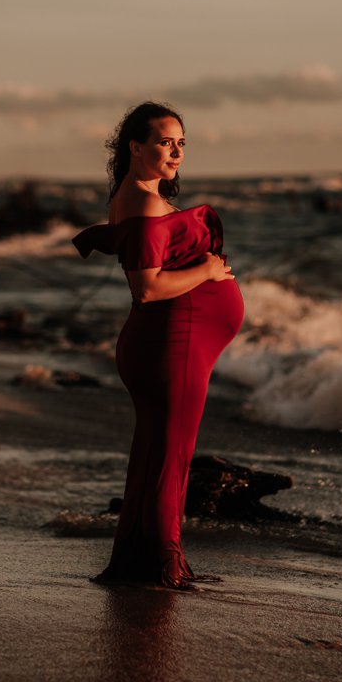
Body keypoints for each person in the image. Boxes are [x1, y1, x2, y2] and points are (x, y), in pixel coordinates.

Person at [72, 101, 244, 590]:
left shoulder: (136, 196)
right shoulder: (145, 203)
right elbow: (146, 288)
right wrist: (209, 271)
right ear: (136, 147)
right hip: (174, 342)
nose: (176, 152)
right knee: (171, 459)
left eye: (181, 144)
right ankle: (164, 569)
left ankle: (138, 561)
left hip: (171, 342)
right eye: (166, 142)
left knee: (154, 456)